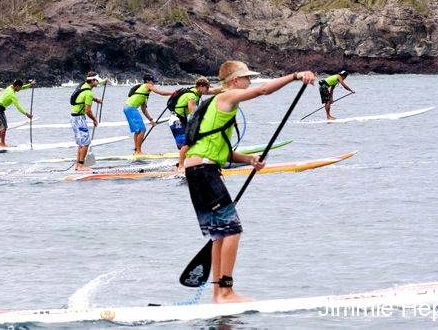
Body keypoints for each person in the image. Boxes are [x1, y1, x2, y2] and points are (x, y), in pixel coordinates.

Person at [184, 61, 315, 304]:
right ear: (235, 81)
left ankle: (217, 296)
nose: (250, 82)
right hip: (204, 171)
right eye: (246, 78)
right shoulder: (228, 96)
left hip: (198, 169)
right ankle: (226, 292)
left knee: (219, 234)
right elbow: (264, 90)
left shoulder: (216, 104)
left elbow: (219, 150)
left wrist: (249, 159)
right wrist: (296, 75)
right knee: (232, 230)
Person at [169, 77, 216, 169]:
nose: (208, 90)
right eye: (207, 87)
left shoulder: (197, 91)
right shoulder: (192, 96)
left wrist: (228, 90)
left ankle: (187, 161)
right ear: (201, 86)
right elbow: (193, 113)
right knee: (185, 143)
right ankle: (181, 166)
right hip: (176, 120)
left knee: (191, 142)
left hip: (182, 120)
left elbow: (213, 91)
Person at [123, 74, 173, 154]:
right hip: (131, 108)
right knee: (142, 129)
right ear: (147, 81)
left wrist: (151, 120)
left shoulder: (144, 93)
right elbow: (161, 92)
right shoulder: (147, 85)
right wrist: (174, 93)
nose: (153, 83)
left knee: (138, 131)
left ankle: (136, 151)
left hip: (128, 108)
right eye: (152, 81)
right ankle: (138, 151)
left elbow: (144, 110)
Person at [70, 72, 104, 170]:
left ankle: (78, 165)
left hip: (73, 118)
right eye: (97, 81)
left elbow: (83, 96)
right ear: (92, 81)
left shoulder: (83, 85)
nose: (98, 83)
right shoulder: (89, 92)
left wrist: (96, 100)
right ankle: (81, 166)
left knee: (81, 143)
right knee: (86, 143)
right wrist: (95, 119)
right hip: (79, 119)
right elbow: (88, 111)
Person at [0, 79, 35, 147]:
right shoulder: (12, 95)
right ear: (17, 86)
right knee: (3, 127)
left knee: (2, 127)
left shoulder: (11, 87)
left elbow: (22, 87)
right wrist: (27, 114)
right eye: (19, 88)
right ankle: (2, 144)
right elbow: (18, 107)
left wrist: (30, 84)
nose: (20, 89)